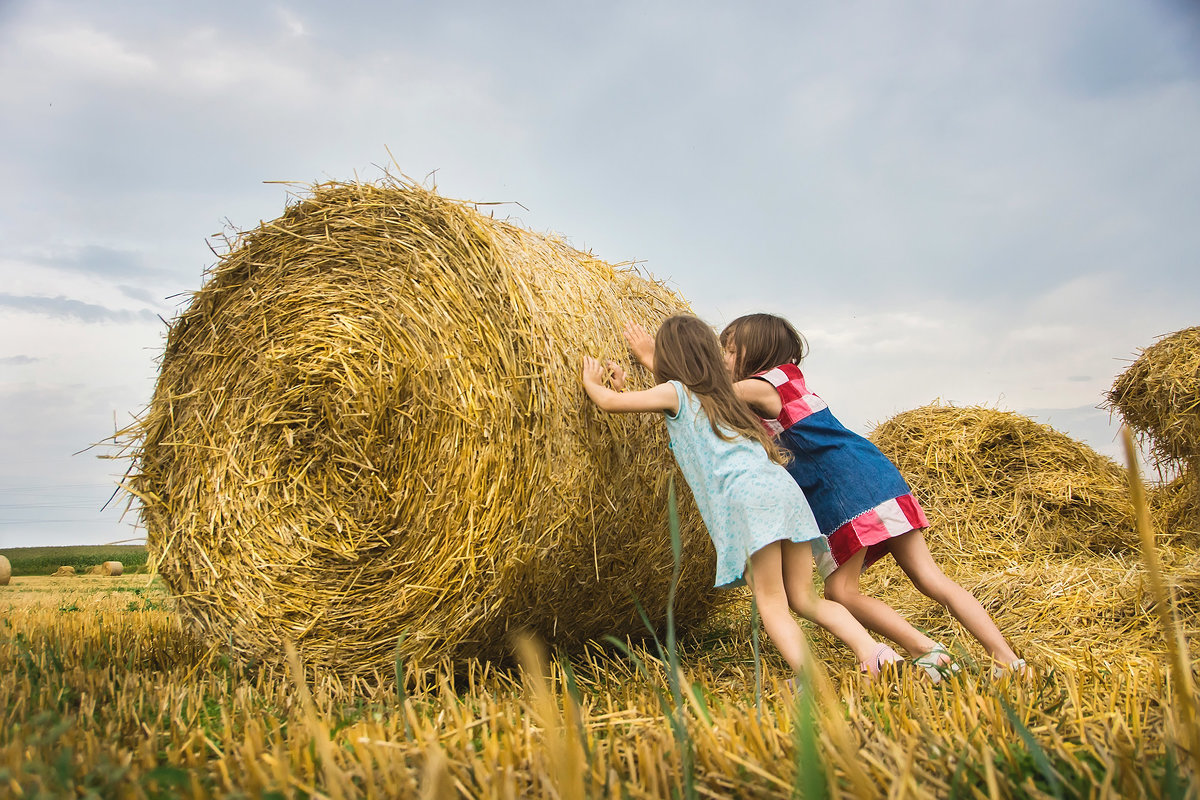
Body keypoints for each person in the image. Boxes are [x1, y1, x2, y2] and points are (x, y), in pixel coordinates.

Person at [626, 314, 1025, 681]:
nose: (724, 357)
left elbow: (702, 397)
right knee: (929, 578)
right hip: (875, 474)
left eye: (731, 349)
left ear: (758, 351)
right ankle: (1006, 658)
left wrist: (653, 362)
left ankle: (927, 652)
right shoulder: (791, 379)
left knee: (841, 593)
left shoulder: (762, 384)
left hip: (845, 487)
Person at [581, 314, 904, 678]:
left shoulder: (675, 391)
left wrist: (594, 383)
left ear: (670, 359)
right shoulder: (728, 399)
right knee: (806, 599)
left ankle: (811, 682)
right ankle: (875, 654)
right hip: (785, 494)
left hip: (747, 502)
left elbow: (608, 403)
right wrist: (632, 381)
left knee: (772, 605)